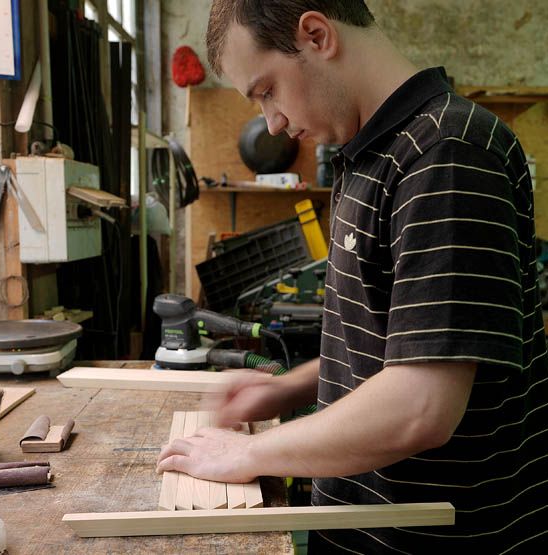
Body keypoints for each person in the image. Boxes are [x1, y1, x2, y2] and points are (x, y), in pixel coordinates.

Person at [157, 2, 548, 552]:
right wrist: (286, 388)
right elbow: (397, 343)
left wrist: (247, 452)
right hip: (365, 530)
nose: (272, 122)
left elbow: (421, 405)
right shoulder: (366, 153)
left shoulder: (448, 153)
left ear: (317, 35)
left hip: (438, 541)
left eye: (267, 90)